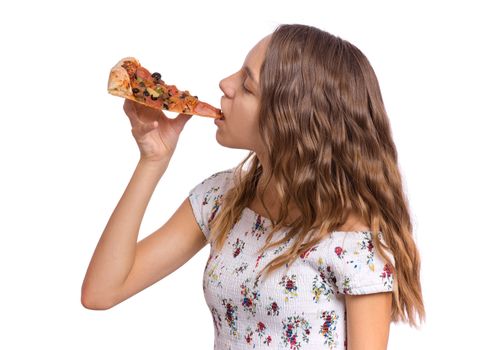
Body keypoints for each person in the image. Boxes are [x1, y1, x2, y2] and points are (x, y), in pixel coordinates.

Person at [82, 24, 425, 349]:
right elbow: (102, 292)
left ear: (290, 119)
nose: (225, 84)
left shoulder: (353, 244)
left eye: (247, 86)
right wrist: (152, 160)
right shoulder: (223, 199)